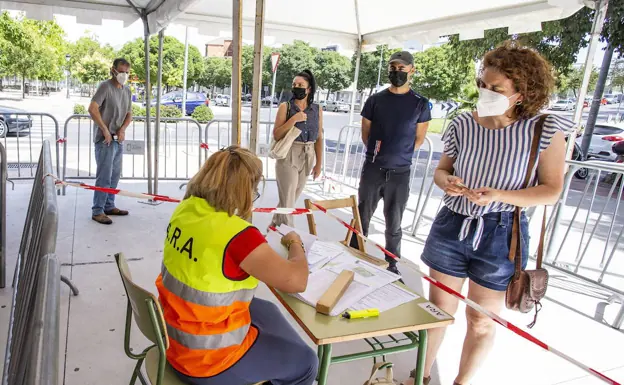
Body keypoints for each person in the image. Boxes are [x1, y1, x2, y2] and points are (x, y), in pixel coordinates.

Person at [412, 43, 573, 385]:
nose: (486, 92)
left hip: (502, 233)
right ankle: (420, 377)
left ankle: (461, 381)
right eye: (483, 84)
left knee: (482, 319)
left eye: (497, 89)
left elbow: (551, 189)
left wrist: (500, 195)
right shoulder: (462, 124)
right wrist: (448, 182)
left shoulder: (542, 130)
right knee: (438, 313)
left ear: (522, 92)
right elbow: (441, 170)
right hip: (452, 224)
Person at [156, 146, 318, 385]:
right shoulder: (237, 235)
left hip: (174, 335)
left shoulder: (185, 210)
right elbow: (297, 281)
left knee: (267, 310)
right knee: (307, 362)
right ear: (244, 190)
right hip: (207, 361)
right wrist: (296, 243)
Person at [349, 51, 431, 275]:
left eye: (401, 69)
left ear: (411, 70)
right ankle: (355, 253)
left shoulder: (420, 104)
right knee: (362, 215)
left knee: (394, 223)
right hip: (373, 169)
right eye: (393, 68)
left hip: (400, 173)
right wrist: (379, 153)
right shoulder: (375, 100)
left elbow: (419, 139)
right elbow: (366, 134)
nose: (397, 72)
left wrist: (398, 154)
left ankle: (392, 263)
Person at [270, 70, 323, 228]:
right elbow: (277, 134)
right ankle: (290, 237)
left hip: (308, 155)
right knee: (288, 201)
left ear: (309, 89)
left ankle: (273, 228)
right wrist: (293, 119)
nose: (296, 87)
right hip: (289, 154)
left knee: (290, 199)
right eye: (294, 85)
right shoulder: (285, 107)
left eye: (301, 85)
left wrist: (318, 164)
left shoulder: (317, 109)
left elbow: (319, 137)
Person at [88, 58, 132, 225]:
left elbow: (129, 114)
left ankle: (109, 205)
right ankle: (97, 210)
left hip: (117, 139)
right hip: (105, 140)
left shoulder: (127, 91)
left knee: (114, 175)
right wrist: (104, 129)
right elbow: (92, 108)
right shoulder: (105, 87)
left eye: (127, 72)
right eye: (121, 71)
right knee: (104, 176)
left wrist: (122, 129)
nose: (124, 75)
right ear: (113, 70)